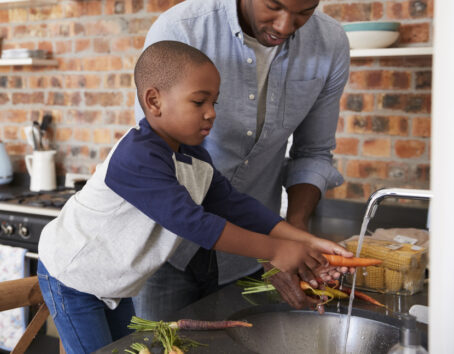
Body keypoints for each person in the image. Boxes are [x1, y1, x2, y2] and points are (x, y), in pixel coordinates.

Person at [37, 40, 351, 354]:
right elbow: (194, 223)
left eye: (215, 102)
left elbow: (233, 205)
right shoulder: (137, 156)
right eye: (199, 102)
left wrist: (304, 241)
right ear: (154, 101)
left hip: (111, 284)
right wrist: (277, 249)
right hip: (73, 278)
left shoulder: (193, 157)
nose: (211, 113)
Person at [133, 0, 351, 320]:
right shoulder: (182, 30)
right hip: (164, 252)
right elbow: (174, 185)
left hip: (247, 262)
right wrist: (273, 247)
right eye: (273, 6)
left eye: (304, 11)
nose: (285, 26)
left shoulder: (329, 43)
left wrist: (295, 235)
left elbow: (312, 153)